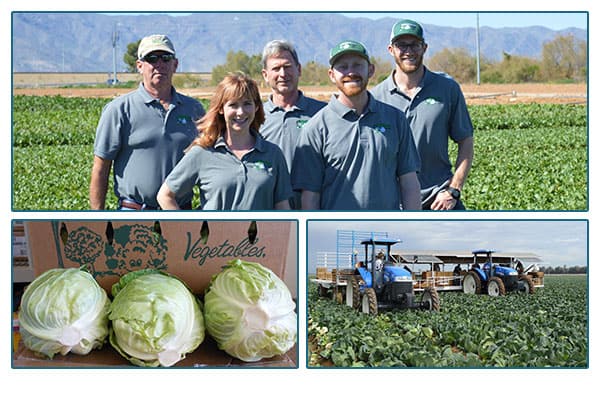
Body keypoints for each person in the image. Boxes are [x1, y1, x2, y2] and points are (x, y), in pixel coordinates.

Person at [291, 40, 421, 210]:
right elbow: (311, 196)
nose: (351, 72)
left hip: (388, 227)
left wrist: (411, 224)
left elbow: (409, 182)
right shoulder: (316, 128)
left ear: (371, 70)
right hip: (335, 229)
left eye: (358, 65)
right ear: (331, 75)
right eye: (343, 67)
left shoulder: (395, 119)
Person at [90, 34, 205, 210]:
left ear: (175, 65)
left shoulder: (194, 109)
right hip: (134, 213)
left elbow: (208, 163)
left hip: (180, 212)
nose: (159, 64)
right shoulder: (119, 110)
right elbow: (100, 168)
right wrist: (97, 219)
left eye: (166, 58)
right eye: (152, 58)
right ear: (140, 66)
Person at [371, 19, 474, 210]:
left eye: (415, 45)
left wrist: (454, 189)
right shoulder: (376, 98)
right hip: (394, 203)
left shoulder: (447, 89)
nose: (408, 51)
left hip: (440, 199)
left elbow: (466, 141)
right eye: (402, 45)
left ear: (424, 48)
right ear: (391, 49)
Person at [157, 73, 292, 210]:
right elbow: (165, 196)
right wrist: (187, 229)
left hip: (261, 232)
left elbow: (282, 206)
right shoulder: (203, 152)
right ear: (221, 109)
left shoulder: (273, 154)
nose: (240, 112)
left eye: (247, 104)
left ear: (256, 107)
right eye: (233, 105)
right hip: (215, 232)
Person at [260, 40, 326, 208]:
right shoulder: (253, 117)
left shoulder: (323, 113)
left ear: (299, 69)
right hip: (269, 210)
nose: (283, 74)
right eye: (276, 68)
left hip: (315, 206)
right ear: (265, 75)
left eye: (288, 66)